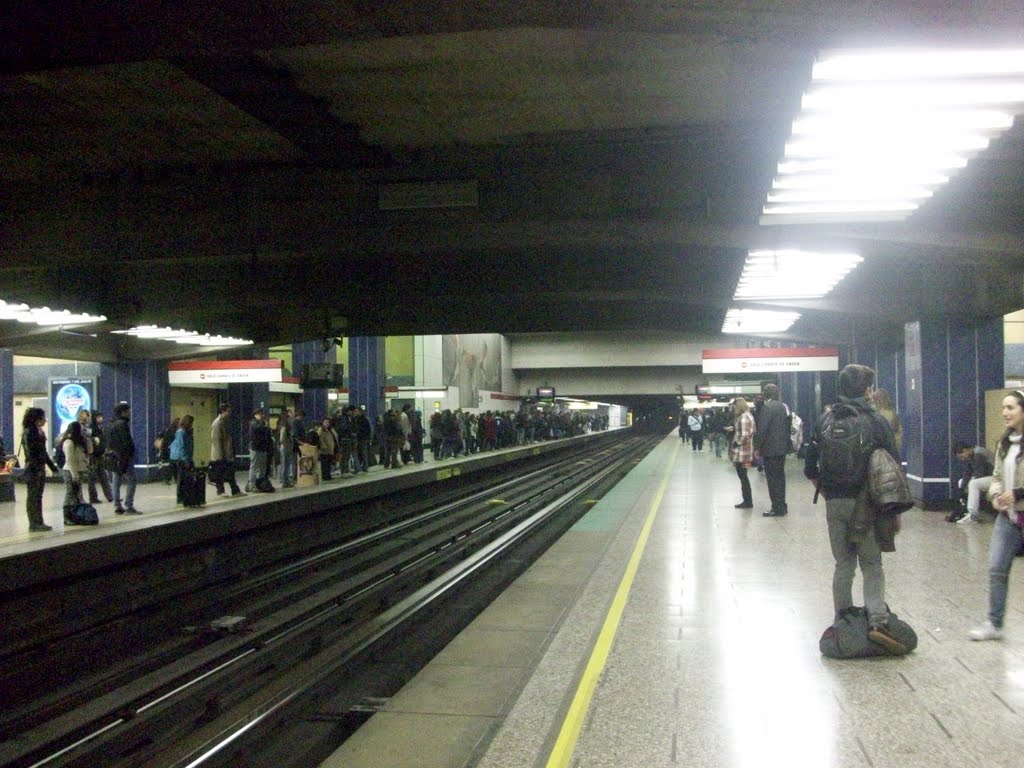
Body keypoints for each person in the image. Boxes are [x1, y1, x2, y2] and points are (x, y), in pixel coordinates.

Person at [804, 364, 903, 653]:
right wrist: (892, 511)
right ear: (868, 390)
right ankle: (877, 621)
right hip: (867, 503)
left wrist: (829, 495)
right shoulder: (876, 421)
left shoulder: (824, 420)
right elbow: (891, 468)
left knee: (843, 563)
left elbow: (810, 466)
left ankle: (843, 619)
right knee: (871, 563)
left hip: (834, 502)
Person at [969, 390, 1024, 641]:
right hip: (1008, 518)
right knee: (996, 567)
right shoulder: (1004, 443)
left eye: (1011, 407)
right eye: (1004, 407)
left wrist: (1018, 494)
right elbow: (997, 476)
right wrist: (994, 494)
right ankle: (994, 622)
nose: (1005, 412)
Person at [755, 383, 790, 517]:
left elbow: (762, 429)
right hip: (782, 448)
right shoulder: (783, 406)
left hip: (770, 449)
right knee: (780, 478)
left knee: (772, 479)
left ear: (765, 394)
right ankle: (782, 505)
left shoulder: (767, 407)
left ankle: (776, 507)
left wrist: (757, 446)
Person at [21, 407, 58, 531]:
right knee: (33, 496)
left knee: (38, 496)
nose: (45, 420)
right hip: (34, 469)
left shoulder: (38, 431)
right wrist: (39, 467)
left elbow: (43, 452)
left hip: (39, 468)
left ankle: (39, 521)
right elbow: (33, 453)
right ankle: (34, 523)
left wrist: (52, 467)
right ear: (37, 420)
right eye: (43, 418)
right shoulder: (30, 432)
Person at [949, 440, 995, 524]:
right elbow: (968, 473)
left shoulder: (979, 454)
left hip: (997, 478)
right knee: (961, 481)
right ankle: (966, 510)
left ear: (965, 450)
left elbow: (979, 474)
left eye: (961, 456)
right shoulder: (971, 455)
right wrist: (962, 489)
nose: (962, 459)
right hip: (989, 477)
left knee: (973, 483)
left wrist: (966, 489)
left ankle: (973, 515)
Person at [108, 402, 141, 515]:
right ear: (123, 412)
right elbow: (126, 443)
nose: (130, 412)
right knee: (132, 480)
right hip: (124, 458)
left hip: (115, 457)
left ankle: (117, 506)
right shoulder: (123, 424)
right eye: (128, 410)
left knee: (116, 481)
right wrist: (130, 453)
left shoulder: (112, 424)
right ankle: (129, 505)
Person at [61, 419, 92, 524]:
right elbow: (70, 460)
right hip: (70, 471)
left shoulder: (81, 442)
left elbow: (90, 451)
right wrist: (74, 475)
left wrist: (88, 440)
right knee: (70, 493)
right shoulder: (69, 443)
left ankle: (76, 514)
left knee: (78, 494)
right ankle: (66, 517)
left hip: (80, 470)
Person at [210, 403, 244, 497]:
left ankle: (235, 490)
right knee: (220, 474)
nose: (230, 413)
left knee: (230, 473)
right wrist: (220, 455)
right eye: (228, 411)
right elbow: (216, 440)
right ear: (222, 411)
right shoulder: (217, 423)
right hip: (220, 454)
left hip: (227, 453)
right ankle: (220, 491)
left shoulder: (225, 422)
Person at [727, 397, 755, 509]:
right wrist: (734, 429)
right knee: (743, 477)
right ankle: (747, 500)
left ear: (738, 406)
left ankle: (747, 501)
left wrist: (736, 443)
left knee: (743, 477)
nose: (733, 409)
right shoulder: (749, 415)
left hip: (742, 452)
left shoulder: (743, 417)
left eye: (734, 407)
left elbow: (744, 434)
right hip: (746, 450)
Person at [87, 410, 113, 503]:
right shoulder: (91, 429)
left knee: (104, 476)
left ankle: (110, 496)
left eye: (101, 417)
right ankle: (93, 497)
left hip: (100, 456)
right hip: (93, 457)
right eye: (98, 417)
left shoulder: (100, 428)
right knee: (92, 478)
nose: (101, 419)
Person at [168, 414, 194, 504]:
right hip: (180, 458)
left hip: (185, 457)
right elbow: (182, 447)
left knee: (186, 478)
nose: (192, 425)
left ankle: (187, 496)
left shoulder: (186, 432)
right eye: (191, 423)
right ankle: (180, 498)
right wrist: (186, 461)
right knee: (181, 479)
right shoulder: (181, 432)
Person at [246, 408, 273, 492]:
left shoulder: (261, 424)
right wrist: (266, 426)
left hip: (262, 448)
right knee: (254, 467)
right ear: (255, 415)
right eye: (260, 414)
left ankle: (259, 483)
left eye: (262, 414)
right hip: (255, 448)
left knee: (262, 468)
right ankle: (251, 485)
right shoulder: (253, 423)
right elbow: (262, 429)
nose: (262, 416)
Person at [871, 388, 903, 454]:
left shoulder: (874, 413)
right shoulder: (892, 413)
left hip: (880, 451)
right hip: (893, 449)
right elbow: (899, 432)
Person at [277, 411, 294, 487]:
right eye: (289, 417)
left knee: (286, 464)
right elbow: (282, 436)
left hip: (286, 445)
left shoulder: (285, 425)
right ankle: (284, 481)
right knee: (285, 464)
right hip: (285, 446)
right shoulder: (284, 425)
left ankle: (285, 480)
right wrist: (283, 443)